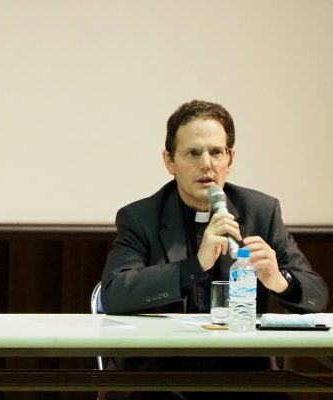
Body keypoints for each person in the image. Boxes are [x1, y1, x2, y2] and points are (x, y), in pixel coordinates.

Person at [100, 99, 329, 400]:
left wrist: (280, 280)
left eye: (216, 152)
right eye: (193, 153)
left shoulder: (260, 212)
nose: (206, 164)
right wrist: (195, 265)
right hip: (158, 376)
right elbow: (115, 294)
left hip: (243, 376)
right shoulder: (140, 218)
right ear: (169, 161)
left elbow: (316, 296)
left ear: (230, 159)